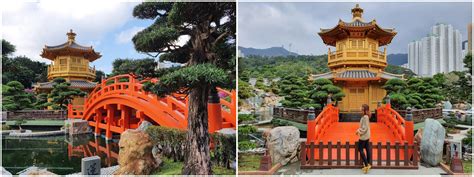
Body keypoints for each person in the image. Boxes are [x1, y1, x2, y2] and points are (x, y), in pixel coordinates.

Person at [356, 104, 371, 174]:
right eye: (361, 110)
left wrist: (358, 131)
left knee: (360, 149)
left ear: (365, 111)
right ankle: (368, 163)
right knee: (367, 149)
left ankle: (366, 164)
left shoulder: (365, 117)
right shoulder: (366, 116)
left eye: (362, 110)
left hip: (364, 136)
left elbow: (364, 128)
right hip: (367, 136)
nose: (361, 111)